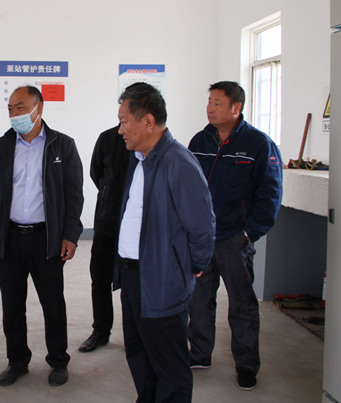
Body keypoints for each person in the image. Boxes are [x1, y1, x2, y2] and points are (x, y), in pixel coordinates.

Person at [115, 83, 215, 403]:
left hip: (161, 279)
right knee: (140, 355)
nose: (120, 130)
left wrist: (189, 266)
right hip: (133, 275)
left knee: (169, 365)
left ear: (147, 121)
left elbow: (202, 227)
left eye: (124, 122)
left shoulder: (178, 163)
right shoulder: (140, 159)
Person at [0, 86, 83, 387]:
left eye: (21, 108)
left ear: (39, 108)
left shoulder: (62, 145)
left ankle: (58, 361)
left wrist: (71, 235)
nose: (15, 115)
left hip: (46, 239)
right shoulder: (2, 146)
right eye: (10, 109)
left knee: (53, 304)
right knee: (12, 306)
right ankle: (17, 362)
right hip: (9, 238)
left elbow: (74, 195)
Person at [187, 81, 282, 391]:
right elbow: (187, 184)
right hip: (202, 238)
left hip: (233, 238)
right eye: (209, 102)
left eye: (217, 103)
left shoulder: (259, 144)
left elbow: (270, 195)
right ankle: (199, 354)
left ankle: (246, 365)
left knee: (242, 305)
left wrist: (248, 235)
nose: (210, 108)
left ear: (236, 108)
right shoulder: (200, 140)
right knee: (199, 301)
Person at [81, 87, 159, 353]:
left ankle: (138, 334)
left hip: (140, 227)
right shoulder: (108, 139)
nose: (122, 124)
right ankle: (101, 331)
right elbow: (96, 173)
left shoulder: (155, 146)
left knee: (135, 281)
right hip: (108, 221)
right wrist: (110, 196)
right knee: (100, 278)